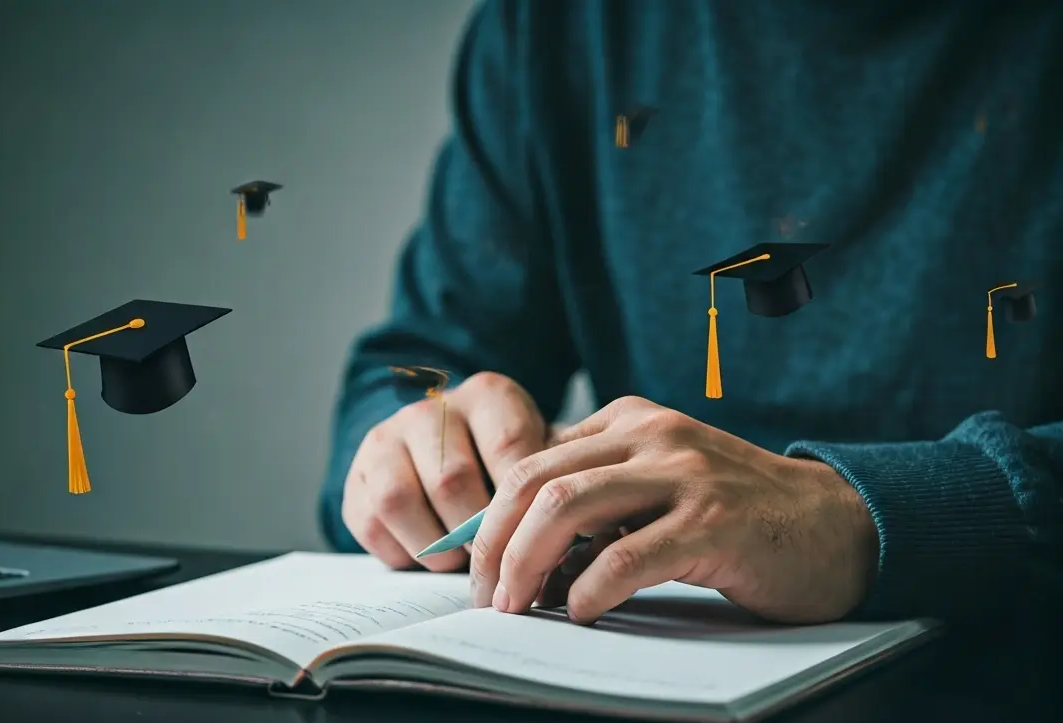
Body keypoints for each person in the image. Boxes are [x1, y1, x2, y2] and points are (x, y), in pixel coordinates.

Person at [319, 0, 1063, 626]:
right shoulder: (556, 25)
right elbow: (424, 355)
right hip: (655, 670)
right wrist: (418, 448)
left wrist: (867, 518)